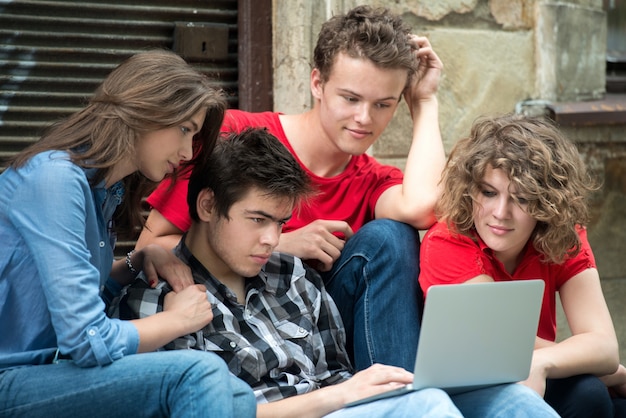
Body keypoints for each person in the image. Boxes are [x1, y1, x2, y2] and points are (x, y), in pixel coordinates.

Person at [111, 126, 559, 418]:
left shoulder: (291, 276)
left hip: (343, 406)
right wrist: (341, 397)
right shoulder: (156, 296)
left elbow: (337, 373)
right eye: (257, 220)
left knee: (515, 402)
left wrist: (362, 390)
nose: (272, 239)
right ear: (208, 205)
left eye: (281, 223)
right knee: (427, 409)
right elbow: (205, 411)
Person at [135, 4, 445, 372]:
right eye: (350, 98)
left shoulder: (373, 179)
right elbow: (150, 250)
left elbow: (425, 206)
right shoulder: (237, 137)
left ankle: (399, 398)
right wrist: (282, 246)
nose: (365, 118)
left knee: (393, 235)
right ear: (317, 83)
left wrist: (424, 102)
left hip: (324, 338)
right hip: (229, 335)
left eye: (383, 104)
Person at [0, 50, 255, 418]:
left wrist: (135, 262)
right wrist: (176, 321)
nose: (186, 152)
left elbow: (70, 301)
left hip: (40, 374)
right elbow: (87, 340)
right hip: (12, 377)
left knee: (238, 396)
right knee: (200, 372)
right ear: (145, 109)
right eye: (184, 129)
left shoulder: (104, 192)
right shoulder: (54, 179)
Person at [418, 113, 626, 417]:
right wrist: (613, 372)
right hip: (469, 391)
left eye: (523, 199)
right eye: (489, 192)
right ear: (470, 189)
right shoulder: (448, 241)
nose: (500, 213)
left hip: (534, 374)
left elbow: (604, 347)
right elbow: (505, 343)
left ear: (547, 203)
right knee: (590, 393)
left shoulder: (562, 234)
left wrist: (543, 362)